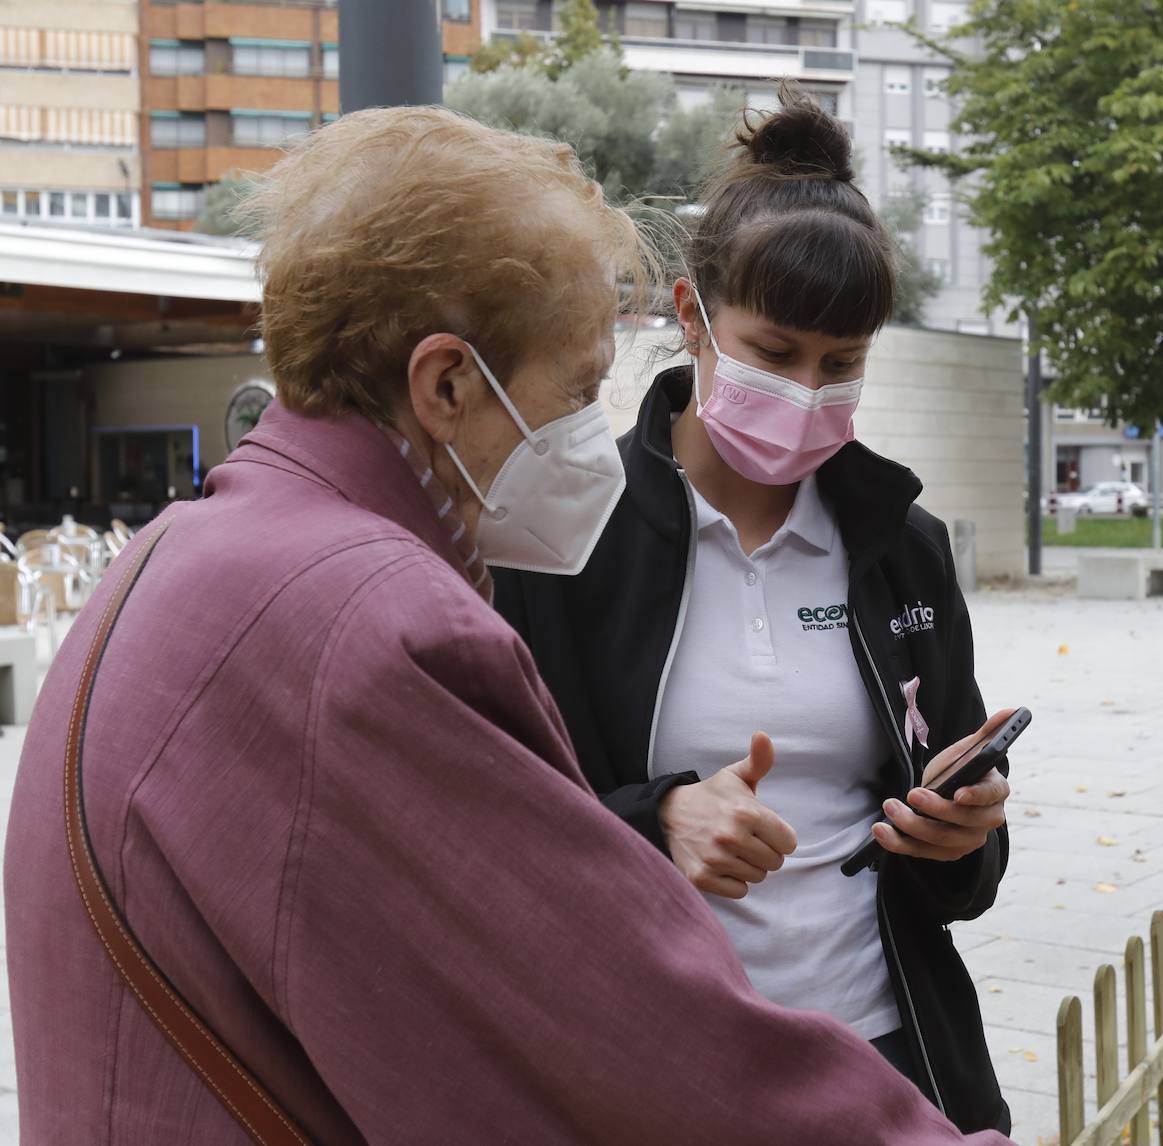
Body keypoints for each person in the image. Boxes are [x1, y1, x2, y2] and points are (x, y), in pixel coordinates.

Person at [3, 108, 1012, 1145]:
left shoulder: (189, 547)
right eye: (577, 389)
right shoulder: (383, 623)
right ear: (446, 384)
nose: (589, 434)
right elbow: (608, 1016)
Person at [495, 86, 1014, 1135]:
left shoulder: (899, 549)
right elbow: (490, 834)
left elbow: (962, 882)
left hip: (884, 1057)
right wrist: (656, 819)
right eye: (775, 355)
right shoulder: (561, 539)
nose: (810, 392)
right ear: (690, 316)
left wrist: (965, 838)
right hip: (655, 1075)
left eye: (844, 364)